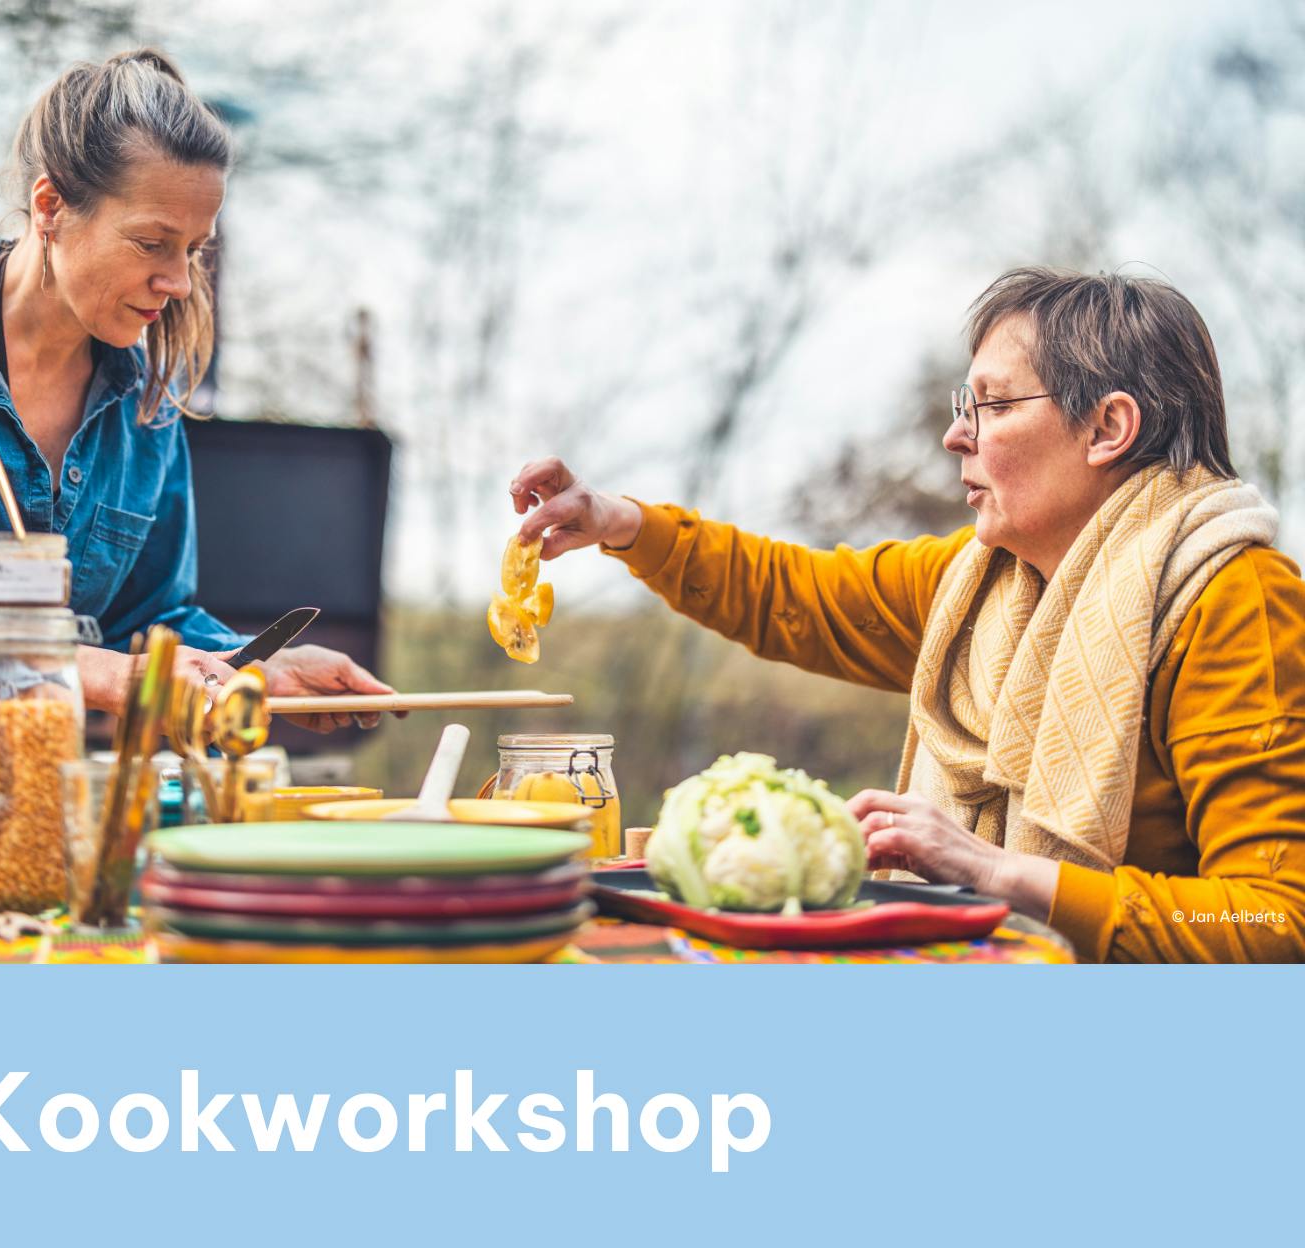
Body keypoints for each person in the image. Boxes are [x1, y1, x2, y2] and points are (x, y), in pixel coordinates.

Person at [512, 267, 1305, 962]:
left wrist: (997, 875)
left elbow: (1274, 922)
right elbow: (793, 594)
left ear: (1108, 428)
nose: (957, 433)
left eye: (992, 405)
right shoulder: (979, 586)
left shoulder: (1236, 602)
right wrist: (619, 522)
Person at [0, 48, 389, 765]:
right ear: (50, 207)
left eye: (194, 250)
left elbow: (150, 615)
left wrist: (250, 666)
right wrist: (114, 676)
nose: (178, 281)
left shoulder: (147, 400)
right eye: (152, 243)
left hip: (18, 783)